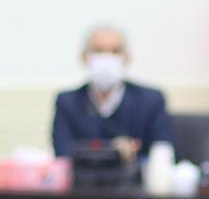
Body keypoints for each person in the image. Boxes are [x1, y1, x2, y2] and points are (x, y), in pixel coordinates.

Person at [51, 26, 175, 164]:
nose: (106, 58)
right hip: (82, 178)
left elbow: (163, 154)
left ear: (127, 57)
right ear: (84, 57)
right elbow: (62, 155)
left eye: (115, 51)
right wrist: (111, 151)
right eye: (98, 51)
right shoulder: (67, 102)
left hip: (135, 177)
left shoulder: (150, 101)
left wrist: (132, 156)